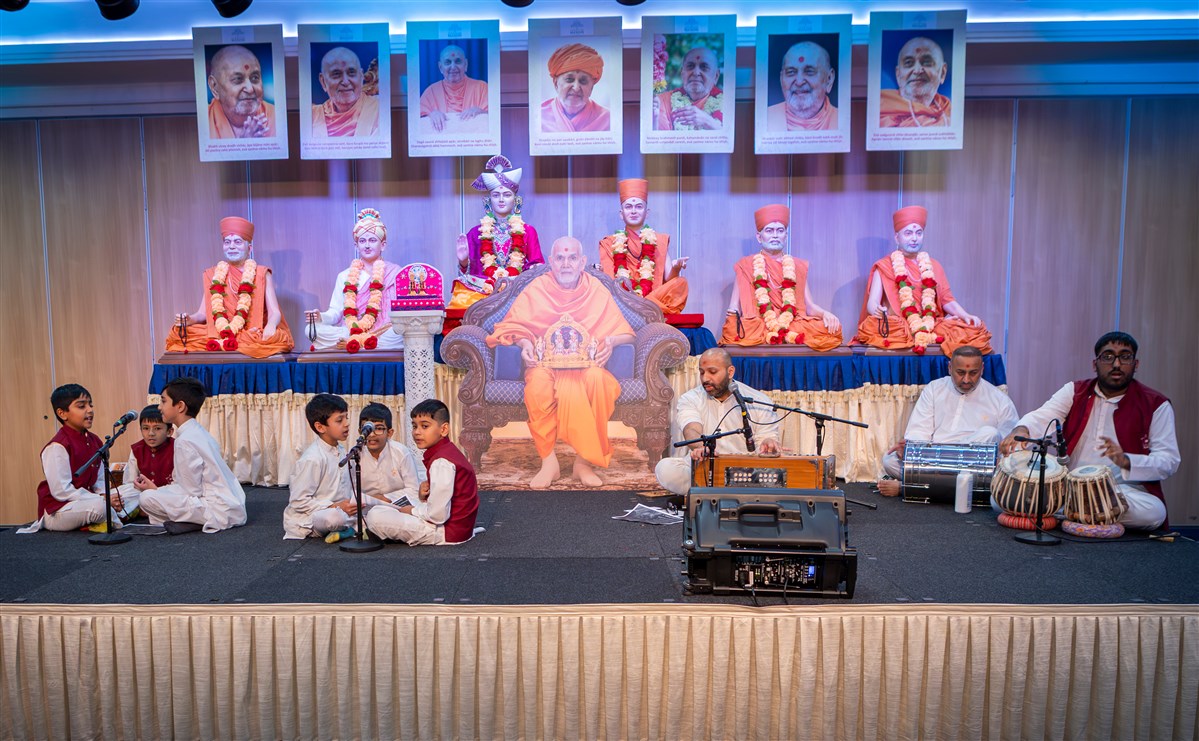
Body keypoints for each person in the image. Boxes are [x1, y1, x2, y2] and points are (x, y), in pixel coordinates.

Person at [486, 237, 635, 489]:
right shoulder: (537, 288)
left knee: (598, 381)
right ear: (551, 262)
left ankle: (584, 462)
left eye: (572, 258)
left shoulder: (595, 289)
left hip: (586, 366)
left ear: (583, 262)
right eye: (560, 258)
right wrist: (525, 344)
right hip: (545, 365)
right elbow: (513, 325)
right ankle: (549, 462)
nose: (566, 264)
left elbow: (627, 333)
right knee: (537, 387)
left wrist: (611, 341)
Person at [999, 332, 1178, 530]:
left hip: (1121, 491)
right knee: (998, 499)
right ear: (1095, 364)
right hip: (1068, 486)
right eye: (1108, 356)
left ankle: (1066, 511)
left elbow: (1168, 461)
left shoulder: (1155, 404)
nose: (1116, 364)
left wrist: (1126, 461)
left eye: (1125, 357)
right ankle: (1086, 512)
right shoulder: (1075, 391)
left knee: (1154, 512)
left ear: (1136, 364)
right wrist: (1022, 429)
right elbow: (1044, 415)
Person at [876, 346, 1018, 496]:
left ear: (982, 369)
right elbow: (919, 431)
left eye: (973, 373)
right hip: (934, 459)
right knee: (889, 461)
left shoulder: (999, 400)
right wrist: (910, 449)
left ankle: (910, 486)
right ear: (950, 368)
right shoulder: (934, 389)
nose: (966, 379)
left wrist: (999, 458)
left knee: (989, 434)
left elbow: (1009, 447)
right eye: (960, 372)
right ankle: (954, 485)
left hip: (972, 464)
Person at [855, 205, 991, 356]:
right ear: (897, 237)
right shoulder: (884, 266)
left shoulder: (934, 266)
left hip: (931, 324)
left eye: (918, 233)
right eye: (908, 233)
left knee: (972, 330)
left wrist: (965, 315)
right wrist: (878, 310)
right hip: (899, 326)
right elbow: (872, 303)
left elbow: (947, 300)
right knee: (875, 327)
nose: (914, 238)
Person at [655, 348, 782, 497]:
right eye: (702, 372)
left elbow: (767, 437)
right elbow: (691, 429)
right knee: (665, 468)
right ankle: (728, 493)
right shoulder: (691, 398)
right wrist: (701, 447)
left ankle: (713, 492)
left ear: (730, 372)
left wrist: (768, 442)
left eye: (712, 372)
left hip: (744, 472)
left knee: (781, 475)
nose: (705, 378)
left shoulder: (758, 400)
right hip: (705, 467)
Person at [164, 216, 294, 358]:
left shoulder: (261, 273)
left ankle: (239, 341)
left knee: (274, 338)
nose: (231, 246)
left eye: (237, 242)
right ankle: (231, 341)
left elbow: (275, 312)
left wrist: (271, 325)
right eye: (227, 242)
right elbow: (202, 314)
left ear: (249, 248)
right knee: (178, 333)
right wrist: (190, 320)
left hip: (250, 332)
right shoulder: (213, 274)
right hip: (220, 331)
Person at [721, 204, 842, 350]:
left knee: (830, 328)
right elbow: (734, 306)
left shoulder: (797, 266)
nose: (775, 235)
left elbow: (809, 306)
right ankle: (778, 335)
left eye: (780, 230)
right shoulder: (745, 265)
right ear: (759, 237)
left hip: (792, 323)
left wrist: (825, 314)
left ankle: (780, 334)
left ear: (786, 236)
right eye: (769, 230)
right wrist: (732, 319)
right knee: (734, 329)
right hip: (759, 324)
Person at [135, 377, 248, 533]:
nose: (160, 407)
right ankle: (188, 521)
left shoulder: (185, 441)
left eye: (164, 401)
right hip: (230, 506)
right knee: (155, 494)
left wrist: (156, 492)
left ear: (180, 406)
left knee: (146, 498)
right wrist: (159, 490)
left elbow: (191, 491)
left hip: (215, 509)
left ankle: (196, 522)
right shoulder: (198, 432)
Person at [21, 384, 136, 534]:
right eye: (82, 406)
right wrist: (102, 499)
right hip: (60, 509)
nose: (90, 410)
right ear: (62, 413)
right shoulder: (57, 446)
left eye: (90, 405)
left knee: (133, 491)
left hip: (88, 500)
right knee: (100, 507)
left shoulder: (95, 441)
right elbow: (62, 492)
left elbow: (100, 480)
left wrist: (107, 495)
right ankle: (112, 516)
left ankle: (110, 514)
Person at [364, 399, 481, 545]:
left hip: (446, 532)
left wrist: (412, 511)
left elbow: (438, 515)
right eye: (414, 426)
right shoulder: (446, 452)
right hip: (456, 527)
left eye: (424, 426)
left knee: (375, 516)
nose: (417, 432)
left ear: (444, 429)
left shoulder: (441, 462)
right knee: (386, 508)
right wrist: (421, 498)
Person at [449, 155, 545, 309]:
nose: (501, 199)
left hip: (518, 293)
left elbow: (537, 267)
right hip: (484, 293)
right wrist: (463, 262)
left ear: (516, 200)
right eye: (496, 195)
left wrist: (532, 271)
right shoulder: (476, 233)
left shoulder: (528, 231)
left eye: (507, 195)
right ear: (488, 200)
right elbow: (469, 274)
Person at [305, 208, 402, 352]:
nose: (367, 245)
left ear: (383, 245)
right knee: (310, 330)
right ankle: (362, 341)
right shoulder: (344, 276)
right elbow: (336, 312)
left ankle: (355, 342)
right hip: (350, 330)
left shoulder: (396, 273)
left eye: (372, 240)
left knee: (401, 332)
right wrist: (321, 317)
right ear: (356, 246)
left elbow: (400, 312)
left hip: (384, 331)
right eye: (362, 241)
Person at [598, 178, 689, 314]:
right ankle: (646, 307)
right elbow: (611, 284)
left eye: (639, 206)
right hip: (623, 300)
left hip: (653, 296)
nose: (633, 211)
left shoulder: (659, 240)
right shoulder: (609, 243)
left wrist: (676, 268)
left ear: (647, 213)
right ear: (621, 214)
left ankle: (642, 306)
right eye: (628, 207)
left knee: (681, 283)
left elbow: (669, 279)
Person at [284, 394, 358, 543]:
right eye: (339, 420)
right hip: (315, 516)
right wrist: (335, 506)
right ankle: (352, 528)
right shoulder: (312, 459)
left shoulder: (341, 450)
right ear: (320, 427)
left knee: (372, 508)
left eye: (346, 418)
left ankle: (350, 527)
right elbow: (298, 501)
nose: (346, 424)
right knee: (333, 518)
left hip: (342, 509)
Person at [355, 402, 424, 508]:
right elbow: (350, 491)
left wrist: (384, 498)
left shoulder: (401, 452)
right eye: (367, 429)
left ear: (389, 433)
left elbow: (414, 490)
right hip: (365, 508)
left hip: (398, 507)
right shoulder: (355, 456)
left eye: (378, 428)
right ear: (360, 431)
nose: (372, 434)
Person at [879, 36, 952, 128]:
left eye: (927, 62)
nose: (917, 70)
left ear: (943, 73)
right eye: (909, 63)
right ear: (898, 75)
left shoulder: (949, 111)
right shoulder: (880, 107)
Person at [767, 40, 839, 131]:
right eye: (791, 72)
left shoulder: (841, 120)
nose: (799, 82)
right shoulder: (766, 118)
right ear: (781, 79)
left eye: (809, 72)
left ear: (829, 79)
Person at [207, 44, 275, 139]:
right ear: (214, 87)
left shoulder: (275, 117)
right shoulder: (205, 121)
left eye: (255, 78)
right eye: (238, 79)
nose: (250, 89)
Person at [539, 43, 610, 133]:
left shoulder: (607, 118)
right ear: (556, 83)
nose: (576, 88)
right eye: (569, 79)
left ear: (591, 87)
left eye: (583, 81)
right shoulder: (539, 116)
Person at [311, 46, 380, 138]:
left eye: (351, 73)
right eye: (336, 74)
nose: (345, 81)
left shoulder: (379, 108)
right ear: (323, 81)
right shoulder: (312, 116)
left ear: (361, 76)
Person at [418, 44, 488, 133]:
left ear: (466, 65)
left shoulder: (482, 88)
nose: (453, 67)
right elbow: (418, 123)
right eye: (447, 62)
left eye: (458, 61)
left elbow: (494, 120)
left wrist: (481, 112)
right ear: (440, 67)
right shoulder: (430, 92)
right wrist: (431, 115)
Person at [654, 47, 724, 131]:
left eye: (704, 67)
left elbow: (729, 135)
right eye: (690, 66)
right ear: (682, 73)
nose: (696, 73)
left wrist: (707, 122)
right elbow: (661, 137)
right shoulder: (662, 101)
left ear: (716, 76)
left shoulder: (727, 103)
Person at [117, 405, 175, 505]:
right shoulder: (137, 449)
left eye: (157, 428)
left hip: (169, 497)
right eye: (146, 428)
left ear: (169, 432)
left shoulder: (177, 448)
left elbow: (181, 487)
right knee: (117, 495)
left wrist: (156, 491)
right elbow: (130, 483)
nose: (151, 433)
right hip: (142, 495)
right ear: (141, 429)